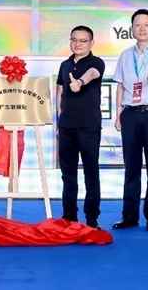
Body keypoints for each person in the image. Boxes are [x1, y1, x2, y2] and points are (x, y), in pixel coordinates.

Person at [113, 9, 148, 231]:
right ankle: (129, 216)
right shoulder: (125, 55)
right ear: (132, 29)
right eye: (138, 25)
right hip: (130, 114)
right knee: (131, 167)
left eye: (146, 25)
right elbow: (120, 86)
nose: (142, 29)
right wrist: (118, 113)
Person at [55, 25, 106, 228]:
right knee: (68, 175)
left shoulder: (96, 62)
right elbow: (60, 91)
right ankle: (69, 217)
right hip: (66, 127)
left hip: (88, 127)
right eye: (74, 40)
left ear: (91, 43)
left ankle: (92, 219)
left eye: (83, 41)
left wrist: (80, 82)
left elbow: (93, 73)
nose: (78, 44)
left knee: (91, 172)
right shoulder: (64, 65)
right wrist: (59, 118)